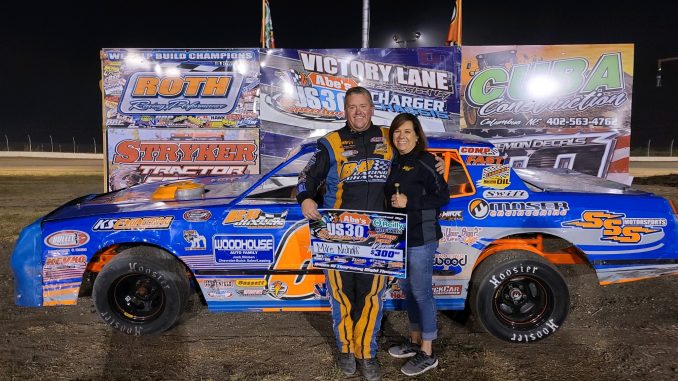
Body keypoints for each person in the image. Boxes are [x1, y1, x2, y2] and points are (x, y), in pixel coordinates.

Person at [296, 86, 393, 381]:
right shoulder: (331, 142)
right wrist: (306, 198)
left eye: (363, 106)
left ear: (372, 108)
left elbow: (417, 165)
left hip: (379, 235)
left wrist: (435, 165)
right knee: (341, 298)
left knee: (372, 298)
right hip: (337, 233)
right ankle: (346, 351)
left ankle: (368, 353)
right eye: (352, 107)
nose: (359, 112)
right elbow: (306, 178)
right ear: (345, 111)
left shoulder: (390, 137)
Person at [384, 113, 449, 376]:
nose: (402, 136)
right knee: (408, 291)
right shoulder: (395, 161)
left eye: (407, 132)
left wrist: (410, 202)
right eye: (397, 132)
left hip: (421, 238)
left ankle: (427, 351)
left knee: (422, 293)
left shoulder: (426, 161)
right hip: (400, 238)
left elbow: (442, 196)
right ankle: (413, 341)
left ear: (417, 135)